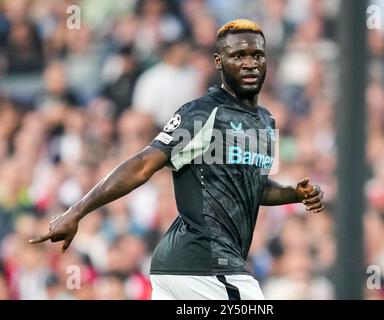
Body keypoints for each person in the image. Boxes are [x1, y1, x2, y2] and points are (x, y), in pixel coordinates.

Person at [29, 19, 325, 300]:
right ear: (219, 62)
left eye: (257, 55)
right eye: (238, 55)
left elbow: (253, 188)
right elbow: (143, 165)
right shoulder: (202, 113)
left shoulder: (265, 121)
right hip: (203, 263)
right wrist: (77, 211)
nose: (249, 63)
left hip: (184, 268)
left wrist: (293, 194)